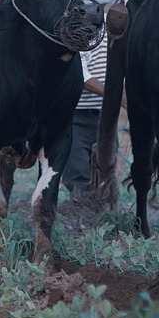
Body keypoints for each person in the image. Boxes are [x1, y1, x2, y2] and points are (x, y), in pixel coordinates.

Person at [61, 29, 111, 199]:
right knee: (78, 172)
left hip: (104, 115)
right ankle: (83, 214)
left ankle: (103, 213)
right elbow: (80, 74)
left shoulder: (119, 33)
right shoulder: (85, 31)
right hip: (76, 115)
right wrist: (117, 96)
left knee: (105, 170)